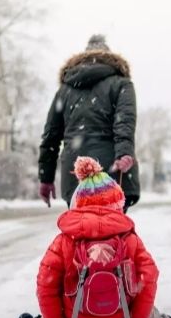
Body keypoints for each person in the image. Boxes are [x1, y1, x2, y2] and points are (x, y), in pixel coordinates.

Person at [18, 156, 171, 318]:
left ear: (77, 203)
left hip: (75, 315)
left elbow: (46, 285)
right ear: (118, 203)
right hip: (121, 314)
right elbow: (148, 276)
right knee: (145, 309)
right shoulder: (129, 239)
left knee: (56, 307)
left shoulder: (64, 241)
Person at [38, 34, 140, 212]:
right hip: (112, 171)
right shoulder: (121, 84)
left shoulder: (65, 90)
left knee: (79, 231)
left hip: (75, 173)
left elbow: (51, 137)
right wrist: (124, 153)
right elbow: (124, 122)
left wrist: (46, 178)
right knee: (113, 232)